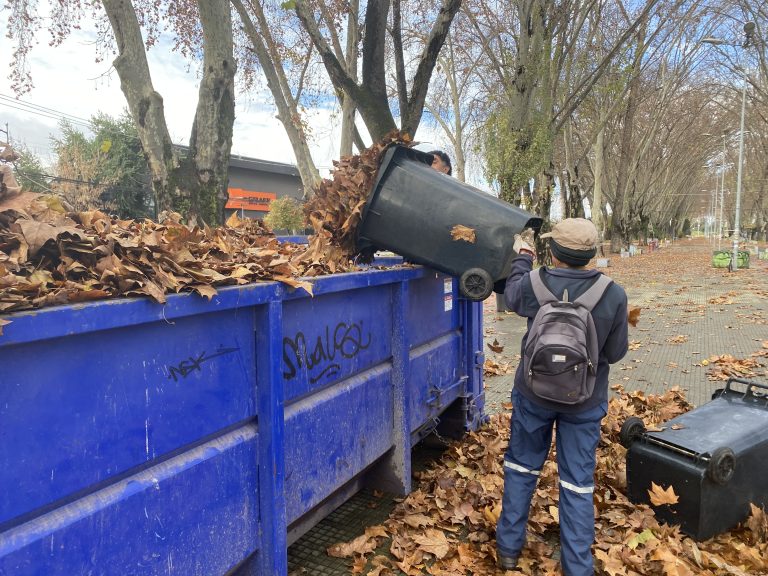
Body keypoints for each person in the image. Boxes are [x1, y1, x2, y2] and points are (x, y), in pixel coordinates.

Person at [496, 218, 629, 575]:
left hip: (533, 394)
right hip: (584, 401)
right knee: (577, 482)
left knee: (521, 467)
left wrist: (523, 257)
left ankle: (508, 550)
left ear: (553, 252)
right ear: (591, 255)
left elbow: (511, 296)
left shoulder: (534, 282)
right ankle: (577, 567)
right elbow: (615, 353)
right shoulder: (613, 294)